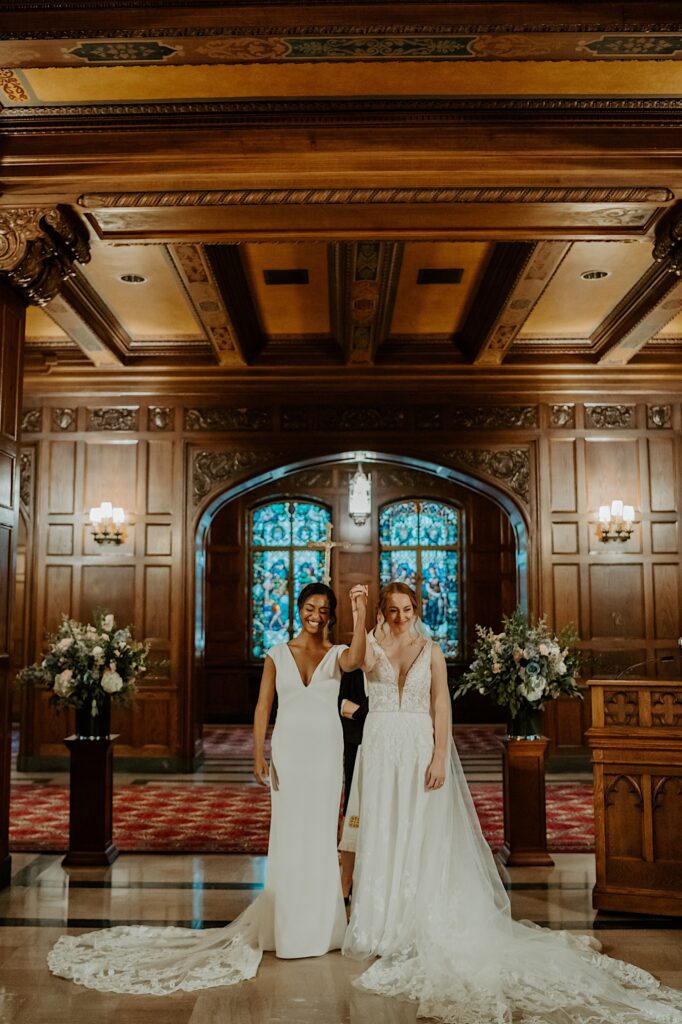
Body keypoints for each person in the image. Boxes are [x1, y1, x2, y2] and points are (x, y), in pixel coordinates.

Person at [344, 582, 682, 1024]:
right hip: (382, 747)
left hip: (418, 744)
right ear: (382, 612)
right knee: (383, 828)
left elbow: (440, 703)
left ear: (416, 610)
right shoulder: (368, 645)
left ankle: (416, 918)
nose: (400, 617)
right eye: (392, 610)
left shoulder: (430, 649)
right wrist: (357, 613)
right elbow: (354, 662)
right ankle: (382, 922)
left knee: (421, 832)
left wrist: (440, 755)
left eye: (407, 609)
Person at [47, 581, 368, 995]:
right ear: (299, 609)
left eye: (325, 609)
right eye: (310, 607)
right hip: (290, 752)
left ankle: (322, 928)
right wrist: (258, 754)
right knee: (288, 837)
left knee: (322, 836)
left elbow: (359, 659)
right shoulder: (276, 654)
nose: (317, 615)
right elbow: (262, 706)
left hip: (325, 755)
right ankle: (287, 928)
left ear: (332, 614)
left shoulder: (337, 654)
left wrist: (360, 612)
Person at [337, 664, 369, 900]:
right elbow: (341, 704)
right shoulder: (353, 667)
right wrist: (365, 712)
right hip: (356, 741)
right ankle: (345, 883)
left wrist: (359, 710)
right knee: (354, 810)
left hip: (389, 741)